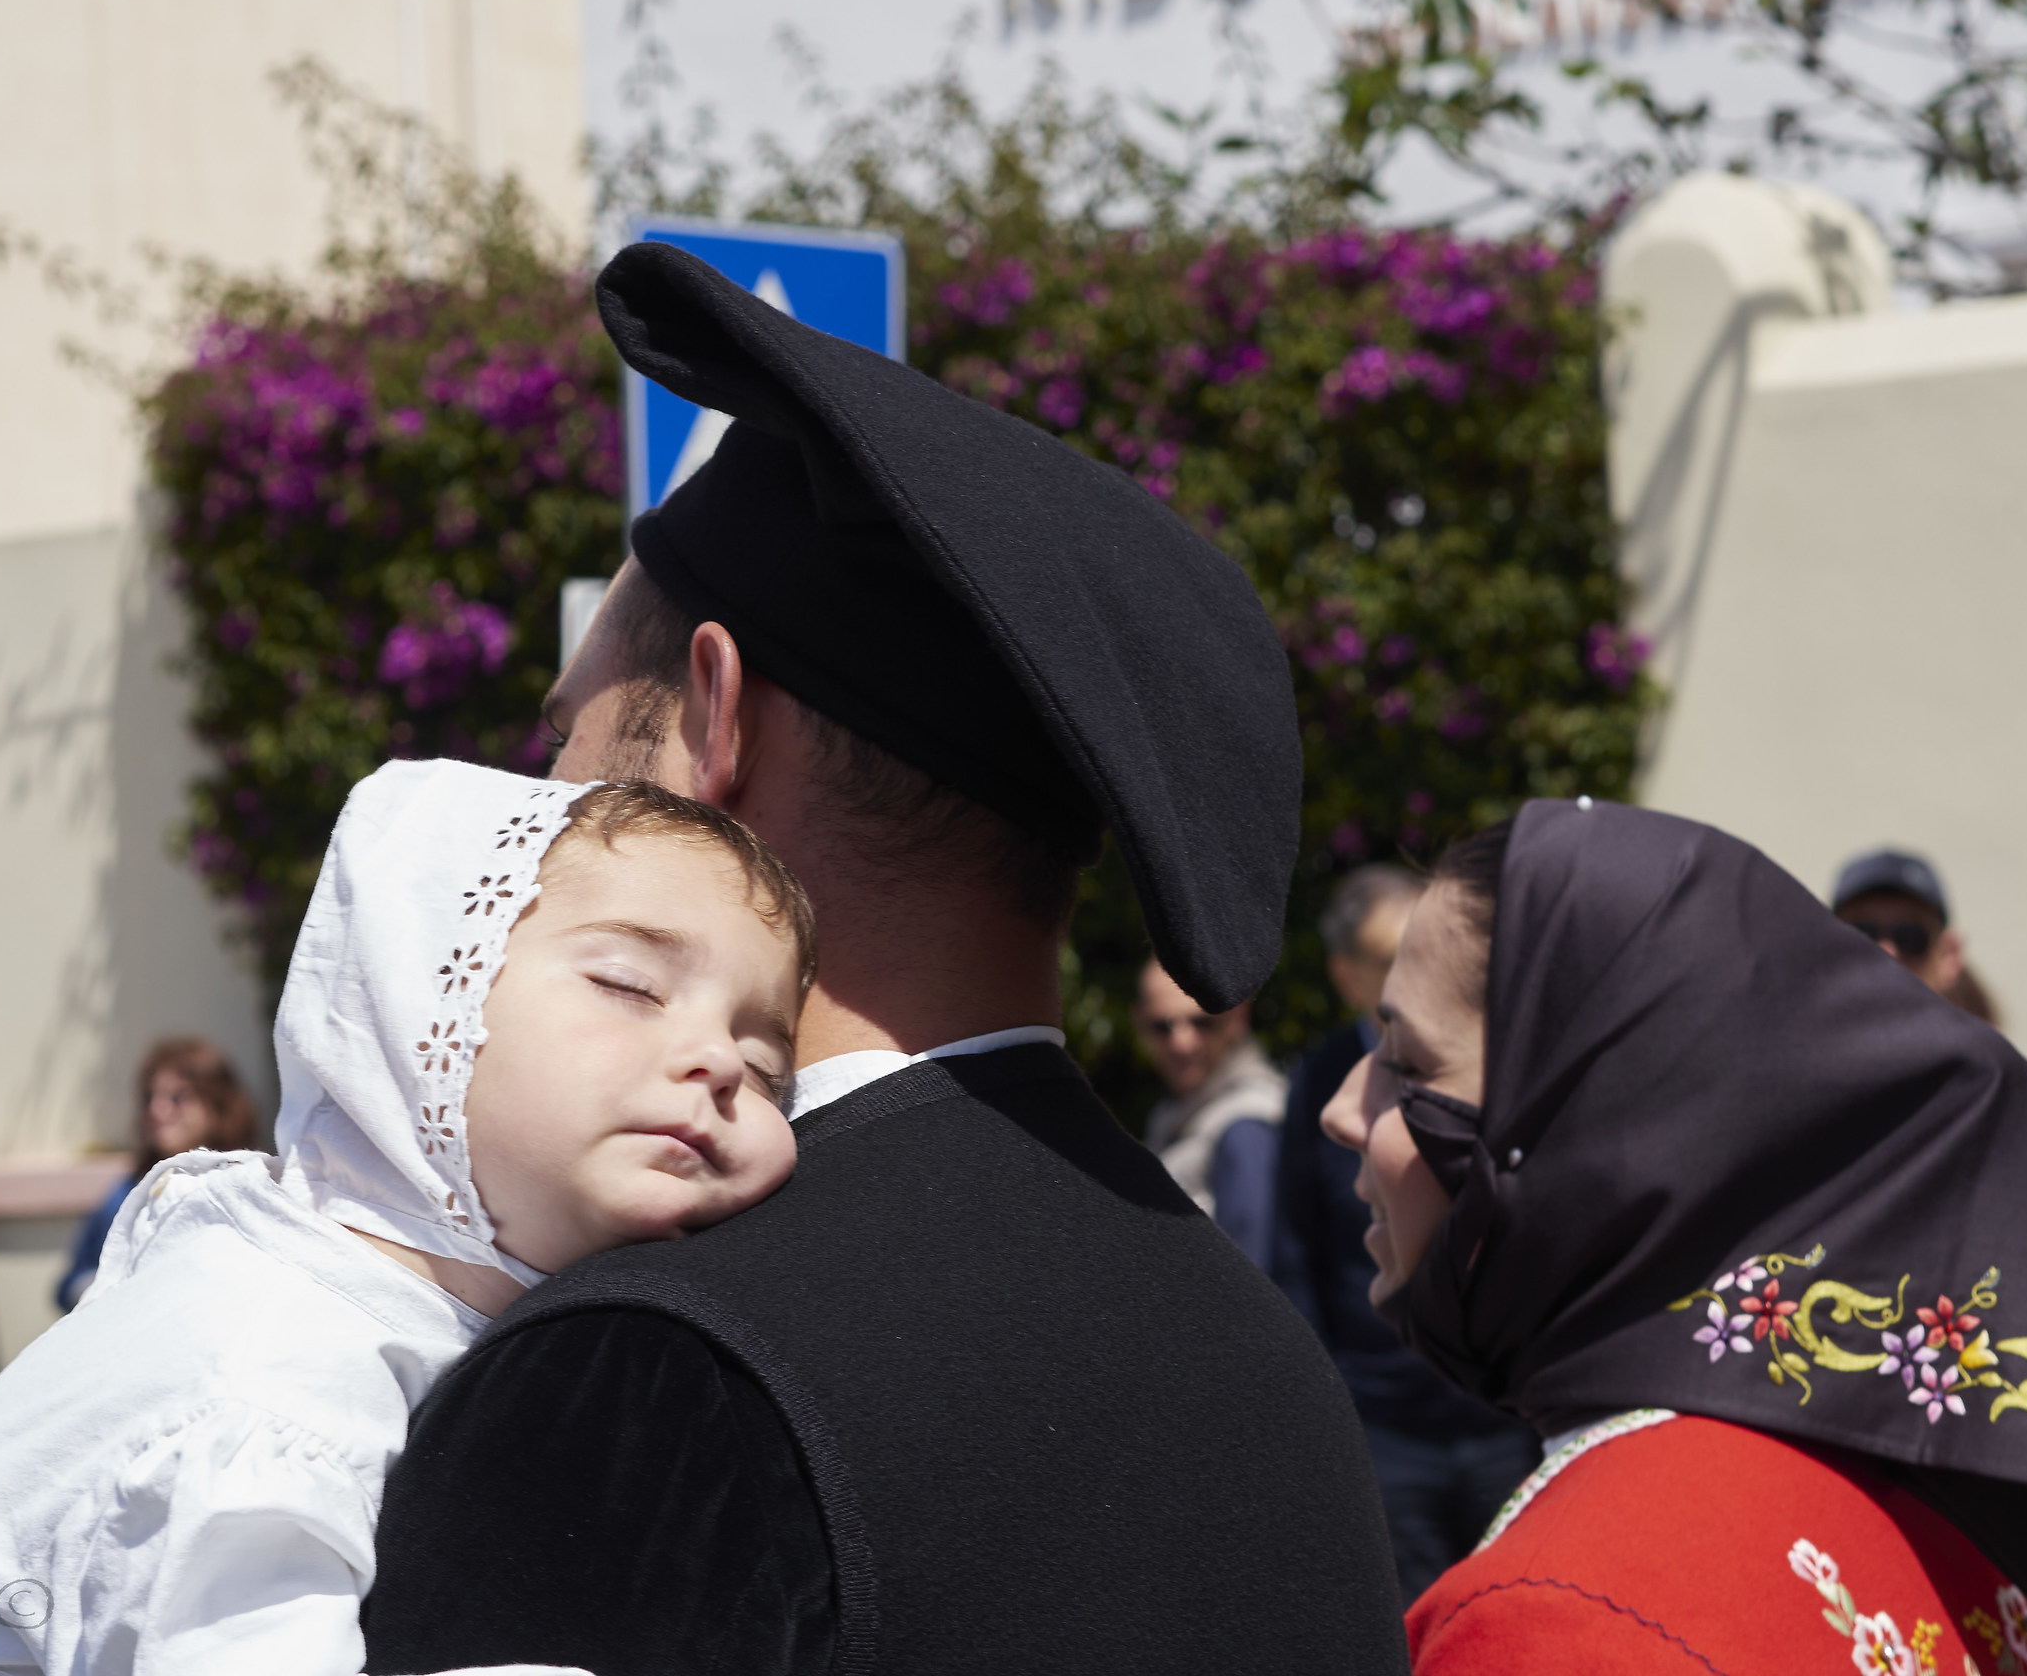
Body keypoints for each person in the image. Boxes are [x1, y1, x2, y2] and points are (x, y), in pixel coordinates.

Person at [361, 244, 1405, 1675]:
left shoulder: (655, 1375)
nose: (532, 818)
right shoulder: (1262, 1359)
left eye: (564, 744)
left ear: (711, 724)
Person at [0, 767, 814, 1675]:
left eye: (770, 1068)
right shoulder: (269, 1380)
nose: (719, 1060)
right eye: (630, 984)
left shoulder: (342, 1287)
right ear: (420, 1001)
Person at [1321, 800, 2027, 1671]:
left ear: (1586, 1124)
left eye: (1408, 1062)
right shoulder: (1959, 1508)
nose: (1341, 1110)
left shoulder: (1552, 1624)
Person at [1272, 864, 1537, 1602]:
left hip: (1490, 1411)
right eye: (1390, 958)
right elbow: (1295, 1252)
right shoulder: (1319, 1083)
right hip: (1382, 1423)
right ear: (1345, 974)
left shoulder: (1490, 1061)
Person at [56, 1036, 261, 1311]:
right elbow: (69, 1284)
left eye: (178, 1097)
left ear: (218, 1104)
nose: (157, 1110)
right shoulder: (127, 1194)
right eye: (149, 1098)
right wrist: (106, 1293)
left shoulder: (254, 1183)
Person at [1134, 957, 1287, 1266]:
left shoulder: (1248, 1126)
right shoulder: (1171, 1115)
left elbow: (1253, 1280)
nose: (1182, 1042)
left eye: (1202, 1022)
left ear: (1237, 1017)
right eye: (1162, 1026)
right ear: (1138, 1024)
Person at [1832, 845, 2001, 1027]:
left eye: (1910, 937)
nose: (1886, 951)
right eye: (1861, 934)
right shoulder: (1799, 1044)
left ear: (1949, 956)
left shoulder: (1986, 1055)